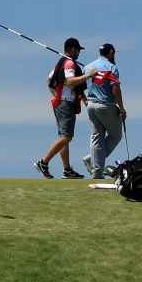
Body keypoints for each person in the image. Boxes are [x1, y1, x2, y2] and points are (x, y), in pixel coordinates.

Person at [35, 38, 95, 179]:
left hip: (62, 102)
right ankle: (43, 162)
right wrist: (89, 75)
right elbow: (70, 81)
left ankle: (67, 170)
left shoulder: (60, 63)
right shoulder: (68, 63)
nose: (79, 52)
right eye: (78, 49)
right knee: (67, 137)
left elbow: (49, 81)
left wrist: (58, 96)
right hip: (65, 103)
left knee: (64, 137)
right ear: (73, 49)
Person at [82, 43, 128, 180]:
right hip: (106, 105)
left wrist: (85, 101)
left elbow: (79, 88)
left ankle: (97, 172)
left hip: (91, 105)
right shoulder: (111, 67)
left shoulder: (88, 67)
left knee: (97, 138)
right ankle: (93, 160)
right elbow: (115, 89)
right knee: (115, 135)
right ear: (111, 53)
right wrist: (122, 108)